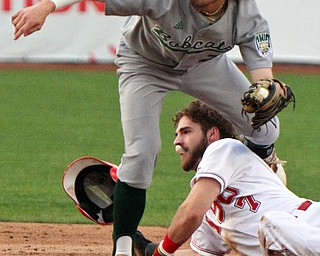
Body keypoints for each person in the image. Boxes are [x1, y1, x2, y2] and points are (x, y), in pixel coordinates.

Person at [11, 0, 293, 255]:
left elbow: (263, 83)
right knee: (141, 154)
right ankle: (122, 246)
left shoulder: (247, 15)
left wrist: (267, 88)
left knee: (266, 128)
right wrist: (46, 5)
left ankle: (255, 175)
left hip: (204, 67)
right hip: (144, 65)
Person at [146, 100, 320, 256]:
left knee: (271, 224)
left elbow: (190, 213)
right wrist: (146, 247)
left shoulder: (223, 147)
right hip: (290, 243)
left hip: (310, 224)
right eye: (177, 134)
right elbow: (198, 253)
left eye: (186, 132)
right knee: (269, 228)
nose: (177, 141)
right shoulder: (210, 211)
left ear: (212, 134)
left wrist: (160, 253)